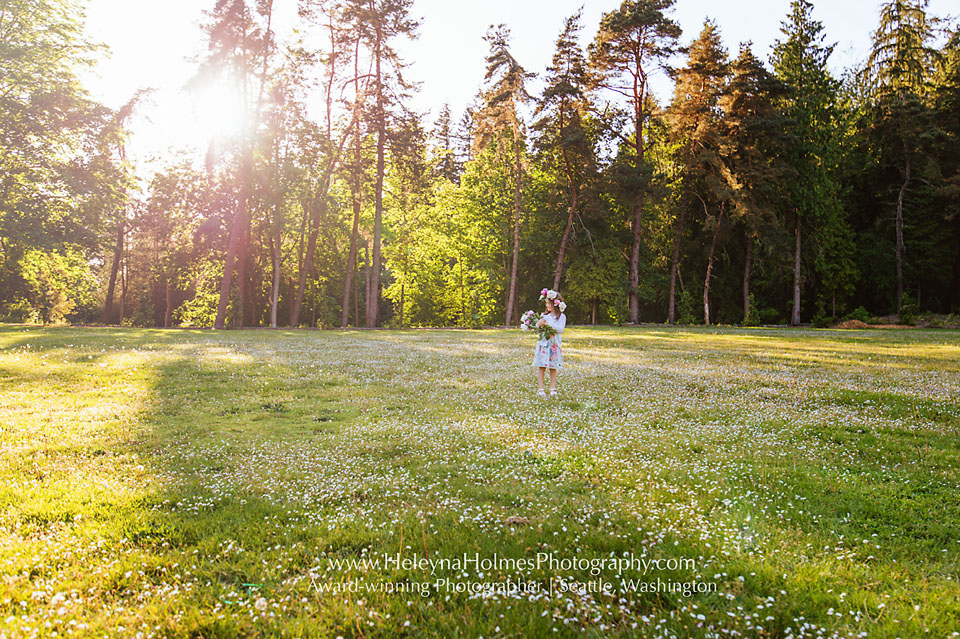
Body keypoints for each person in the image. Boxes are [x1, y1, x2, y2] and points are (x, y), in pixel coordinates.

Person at [532, 289, 567, 397]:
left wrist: (548, 325)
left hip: (554, 345)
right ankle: (541, 389)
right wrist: (539, 324)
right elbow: (538, 330)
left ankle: (552, 388)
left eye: (549, 303)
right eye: (546, 303)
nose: (547, 305)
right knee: (541, 366)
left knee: (553, 366)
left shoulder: (561, 317)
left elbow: (560, 330)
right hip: (544, 344)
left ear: (555, 304)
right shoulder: (544, 316)